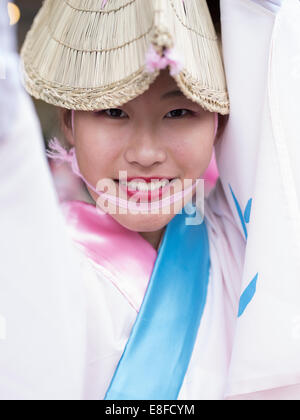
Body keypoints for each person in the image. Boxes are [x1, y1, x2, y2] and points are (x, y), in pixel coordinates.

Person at [1, 0, 300, 400]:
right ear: (69, 120)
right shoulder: (33, 270)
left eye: (178, 112)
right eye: (112, 111)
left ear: (220, 121)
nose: (145, 153)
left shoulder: (247, 247)